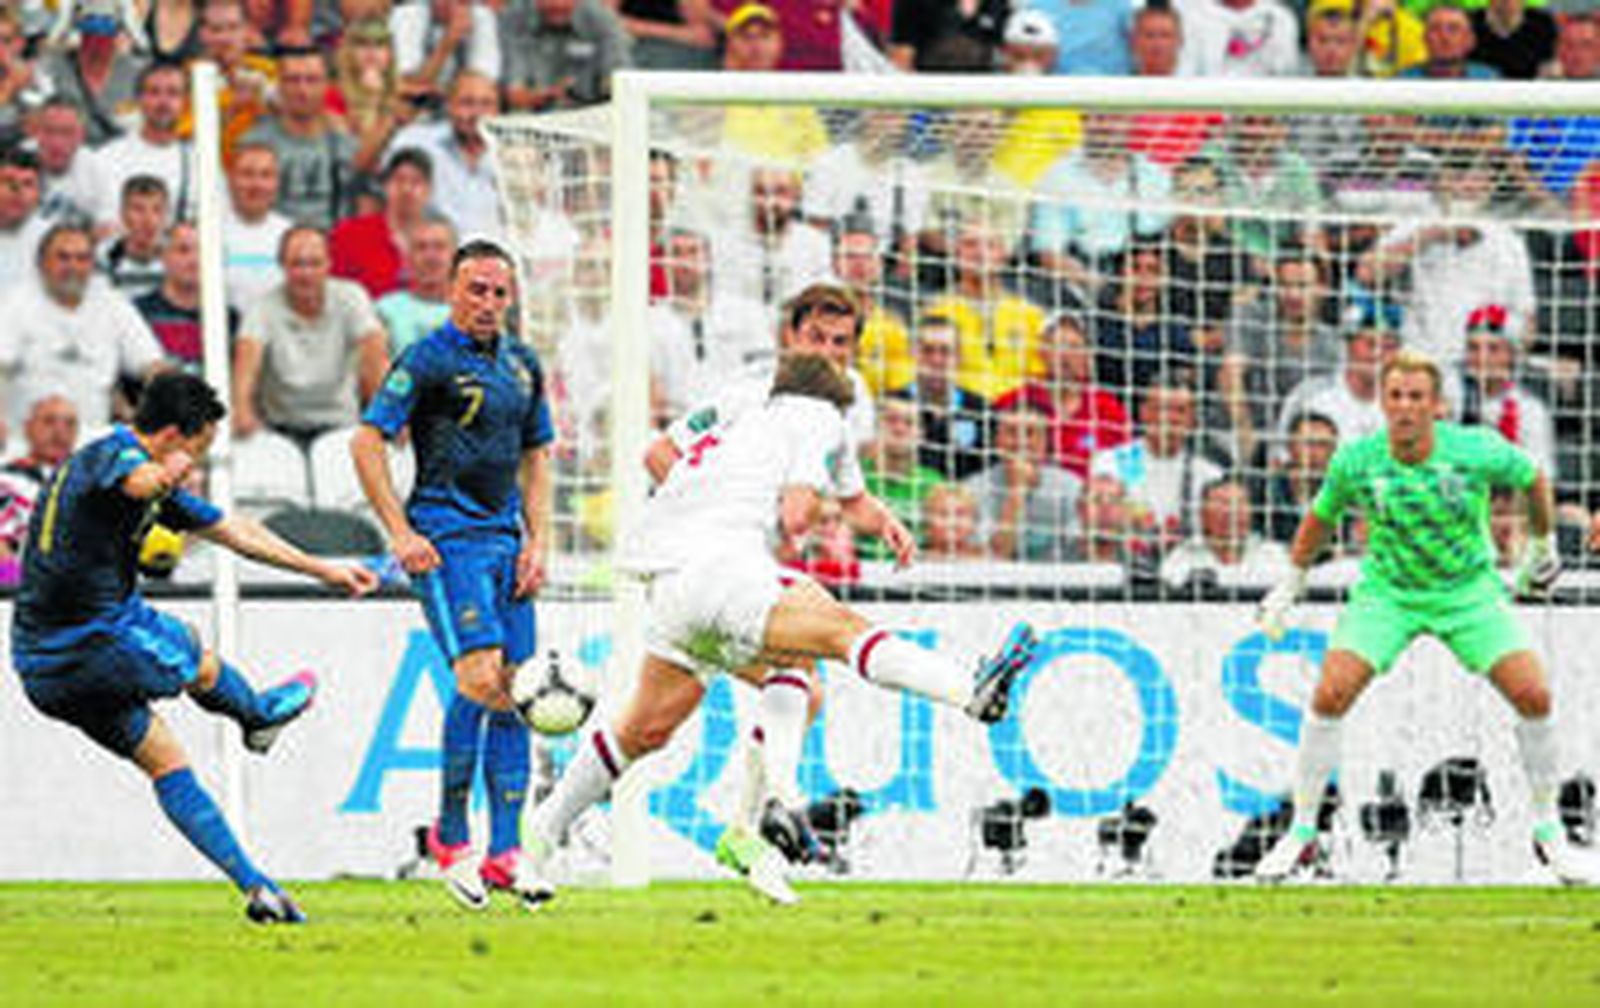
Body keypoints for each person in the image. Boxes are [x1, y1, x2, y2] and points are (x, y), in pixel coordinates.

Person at [522, 353, 1039, 906]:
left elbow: (847, 496)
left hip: (670, 580)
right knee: (840, 630)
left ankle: (537, 841)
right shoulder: (819, 418)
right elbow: (798, 513)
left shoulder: (744, 414)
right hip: (725, 571)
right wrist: (810, 523)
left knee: (652, 726)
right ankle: (966, 693)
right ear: (839, 403)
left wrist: (879, 519)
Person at [11, 372, 379, 922]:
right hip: (92, 643)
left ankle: (258, 889)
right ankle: (255, 714)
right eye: (202, 447)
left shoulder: (129, 472)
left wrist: (321, 569)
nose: (201, 462)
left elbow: (237, 532)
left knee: (166, 761)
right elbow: (136, 482)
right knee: (190, 651)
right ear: (179, 435)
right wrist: (166, 474)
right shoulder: (111, 456)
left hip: (41, 669)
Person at [1253, 350, 1600, 885]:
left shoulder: (1474, 449)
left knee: (1534, 694)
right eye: (1396, 396)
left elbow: (1533, 477)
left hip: (1468, 592)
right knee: (1329, 694)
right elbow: (1320, 518)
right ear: (1383, 402)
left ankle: (1551, 836)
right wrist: (1290, 585)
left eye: (1417, 397)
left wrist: (1542, 546)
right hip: (1388, 593)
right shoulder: (1358, 460)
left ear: (1437, 405)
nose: (1407, 407)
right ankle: (1301, 835)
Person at [351, 239, 555, 912]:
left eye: (499, 292)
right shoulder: (428, 359)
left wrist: (540, 541)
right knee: (478, 679)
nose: (488, 303)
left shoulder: (524, 365)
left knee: (518, 690)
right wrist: (400, 532)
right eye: (476, 290)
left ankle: (505, 851)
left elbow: (537, 458)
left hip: (506, 547)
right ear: (451, 290)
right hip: (446, 541)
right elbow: (367, 439)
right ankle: (451, 835)